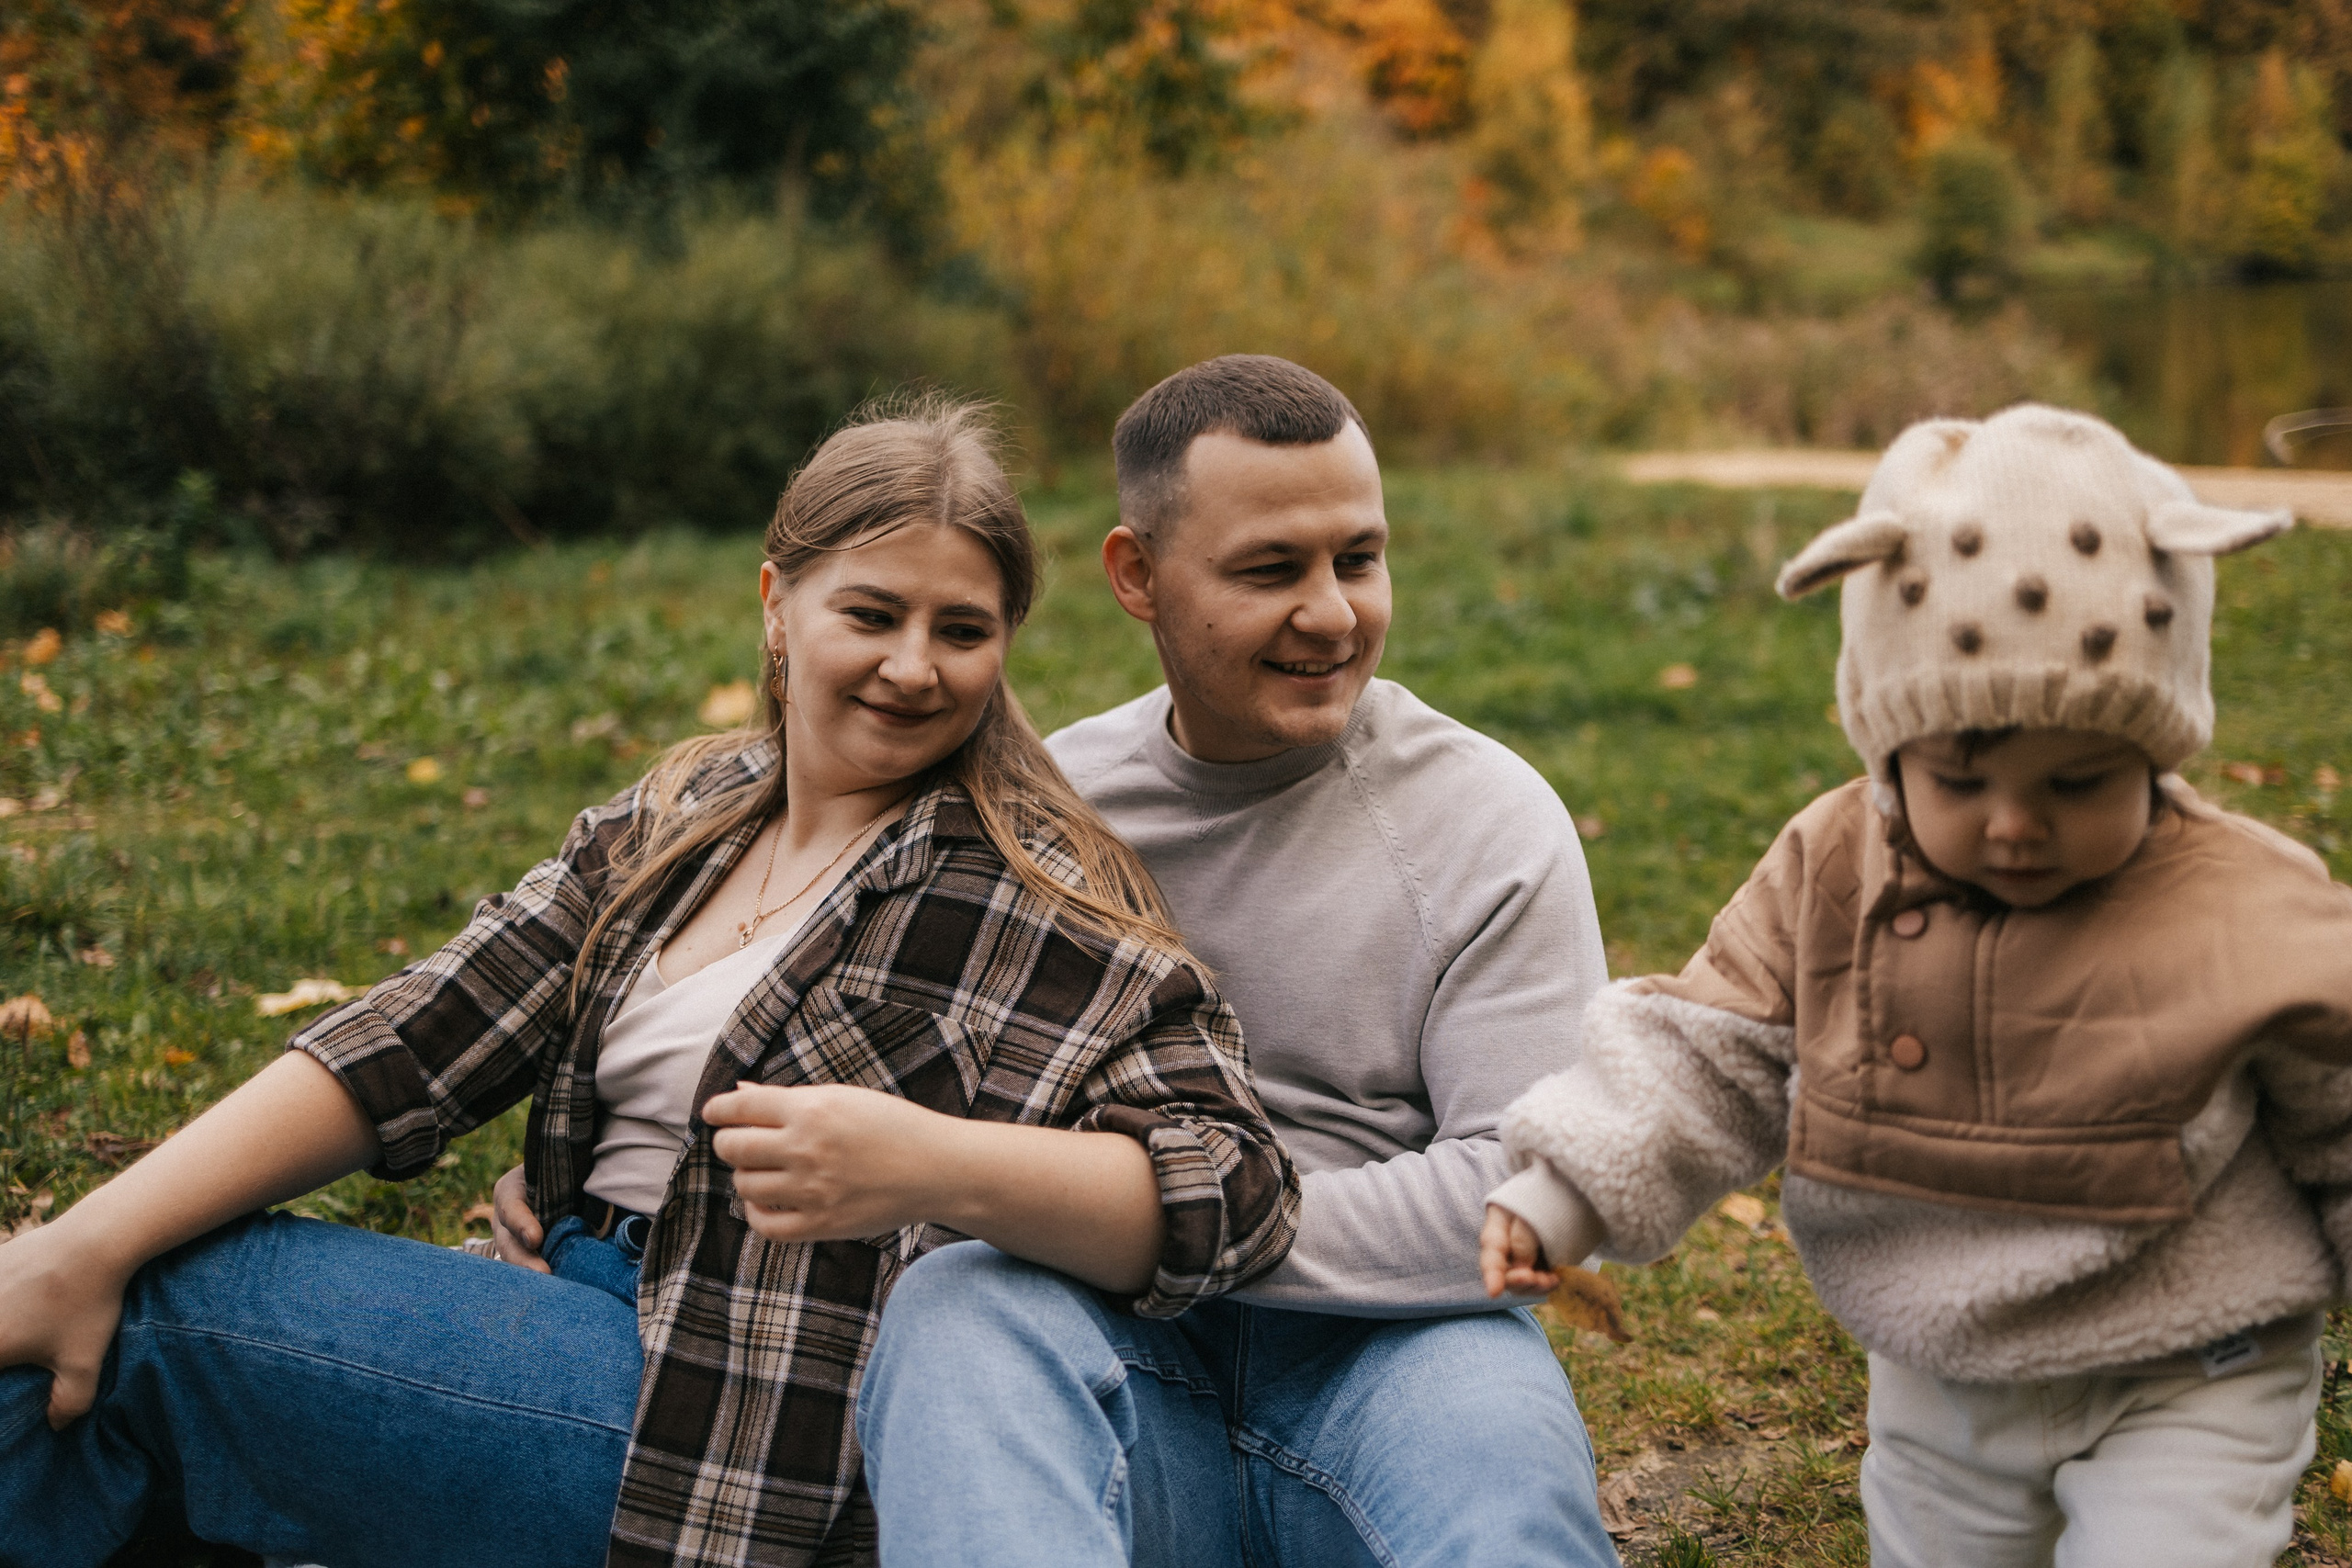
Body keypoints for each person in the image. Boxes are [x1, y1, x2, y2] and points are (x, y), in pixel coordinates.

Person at [0, 399, 1298, 1568]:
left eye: (962, 629)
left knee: (164, 1319)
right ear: (777, 602)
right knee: (92, 1325)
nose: (915, 664)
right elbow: (416, 1036)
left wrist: (938, 1163)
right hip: (564, 1310)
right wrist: (85, 1238)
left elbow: (1236, 1186)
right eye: (872, 612)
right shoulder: (680, 816)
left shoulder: (1024, 891)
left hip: (727, 1430)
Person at [1483, 403, 2352, 1568]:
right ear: (1888, 747)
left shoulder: (2244, 903)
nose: (2014, 824)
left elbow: (2341, 1105)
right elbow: (1705, 1054)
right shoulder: (1834, 871)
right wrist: (1562, 1194)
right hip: (1943, 1376)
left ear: (2160, 751)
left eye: (2080, 780)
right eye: (1961, 774)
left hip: (2191, 1362)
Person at [844, 355, 1621, 1567]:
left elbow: (1522, 1199)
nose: (1332, 612)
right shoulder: (1046, 816)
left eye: (1357, 558)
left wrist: (1163, 1222)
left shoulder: (1488, 821)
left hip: (1400, 1356)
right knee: (955, 1315)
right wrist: (588, 1176)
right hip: (1110, 1358)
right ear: (1137, 575)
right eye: (1272, 569)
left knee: (1500, 1456)